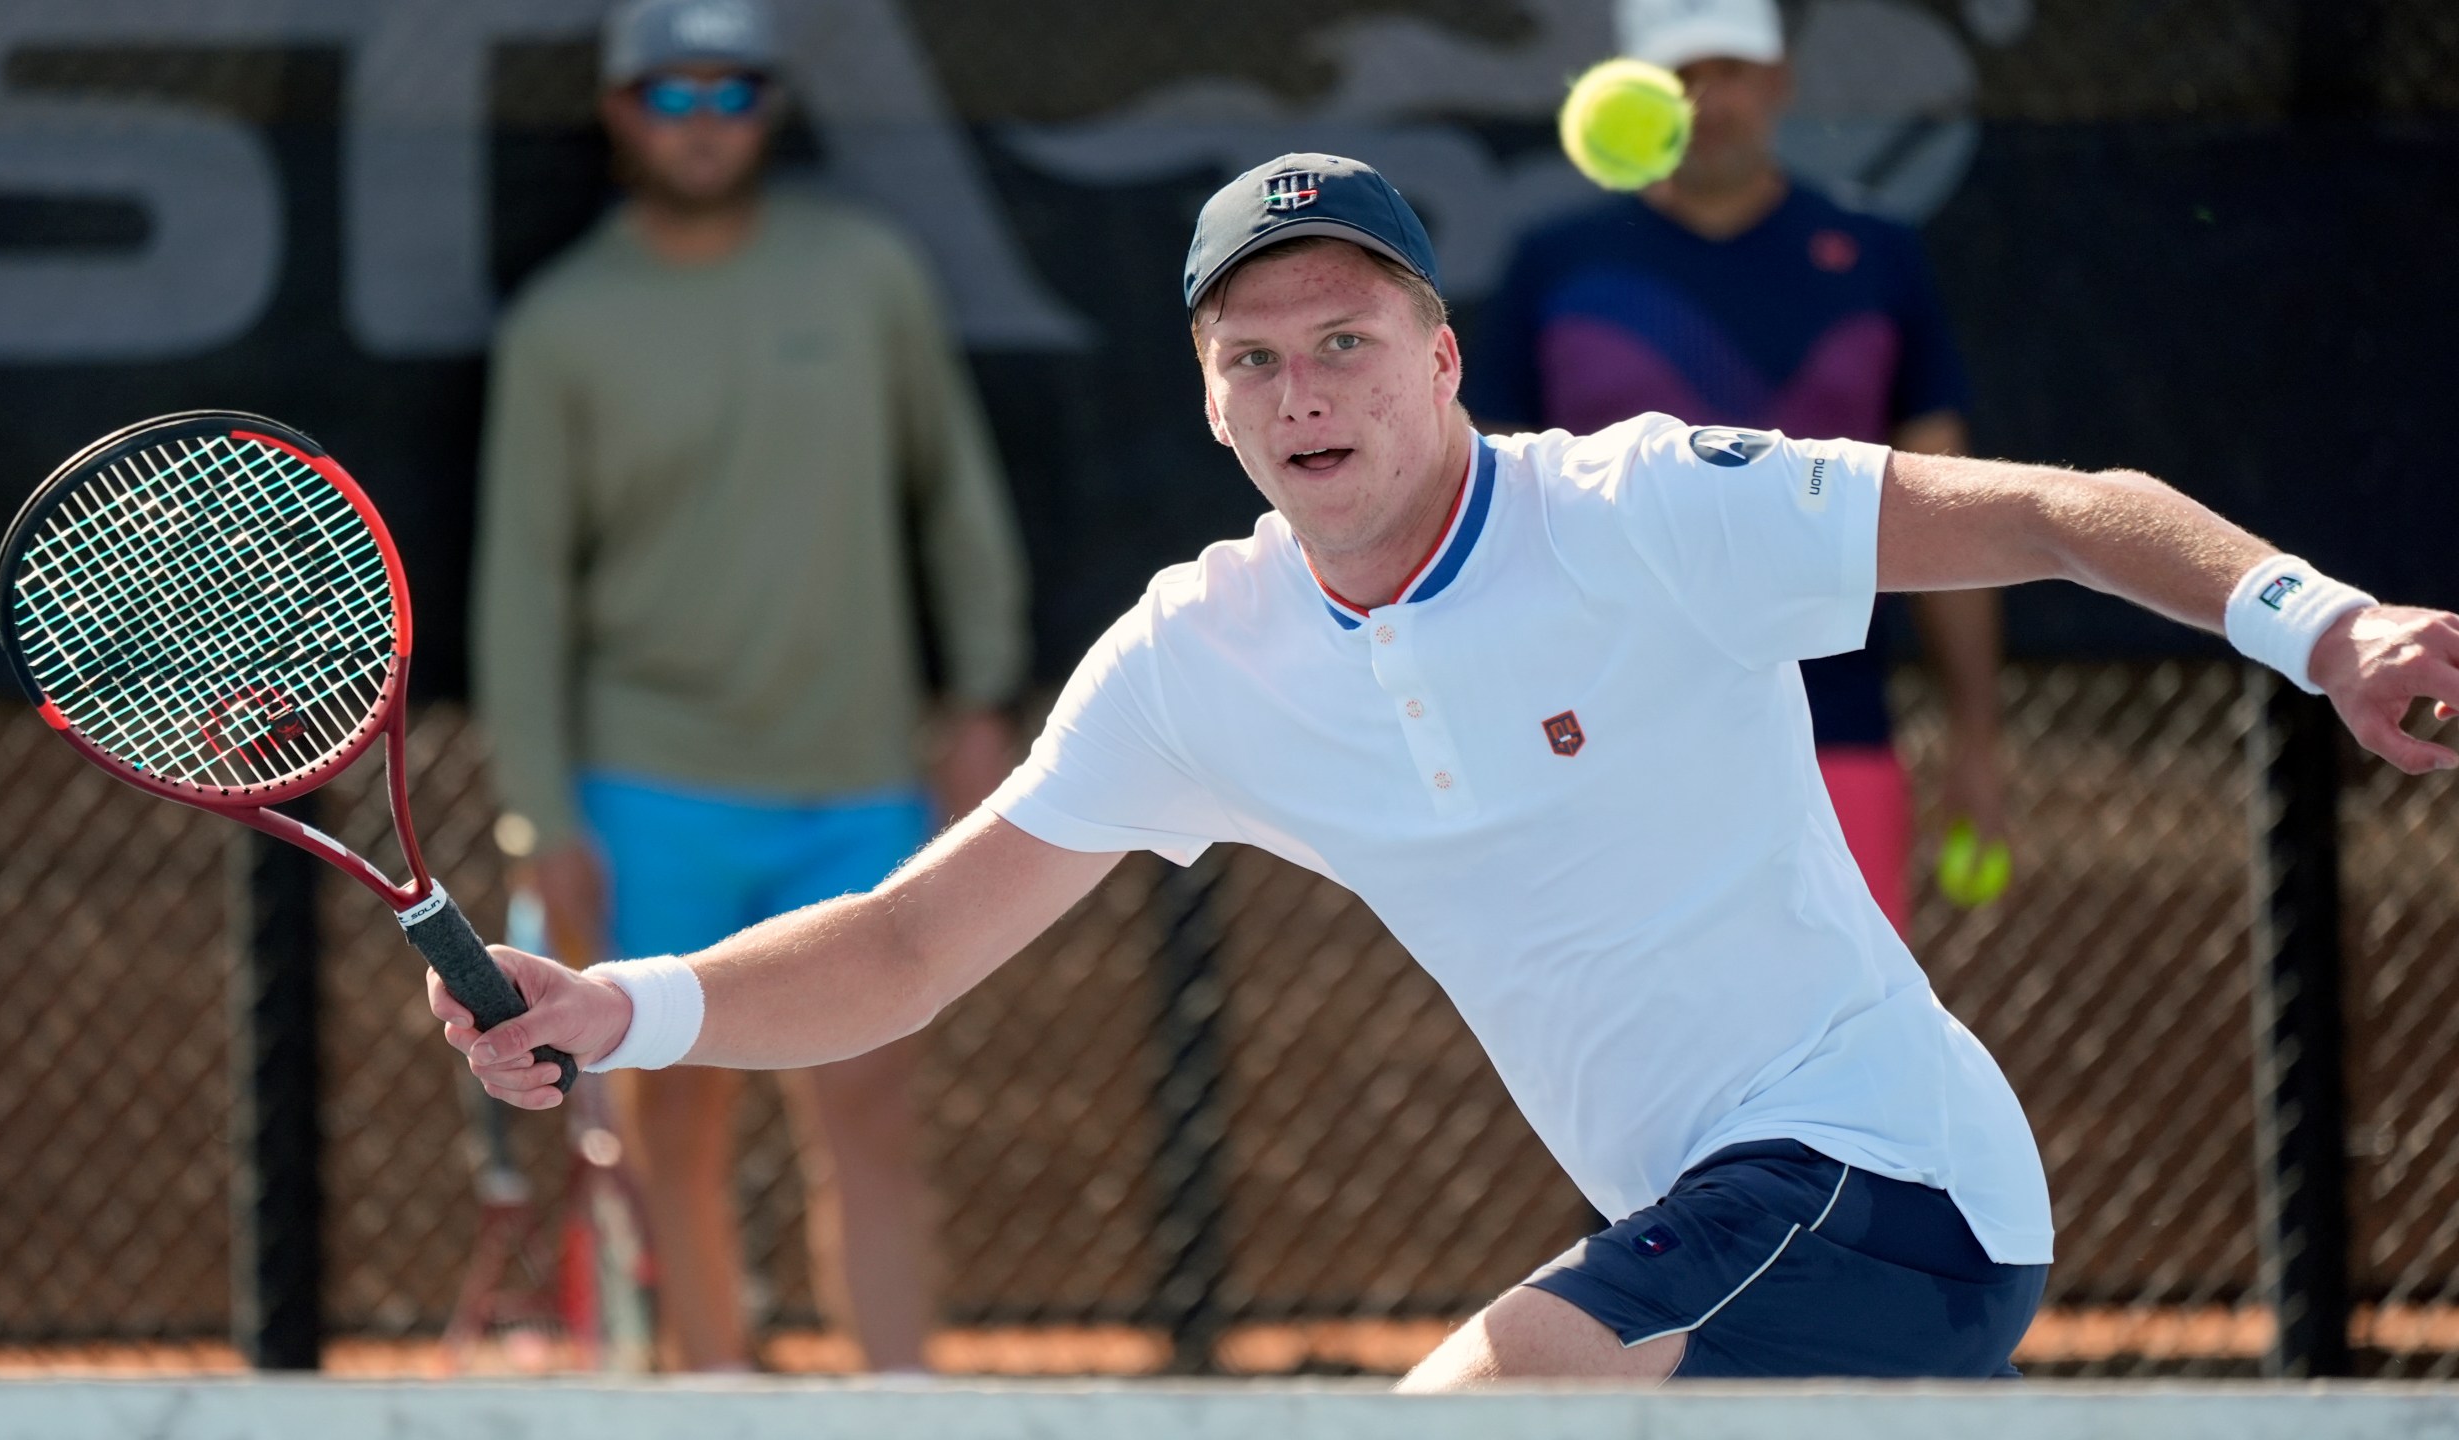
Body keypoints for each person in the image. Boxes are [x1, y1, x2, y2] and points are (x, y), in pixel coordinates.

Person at [445, 153, 2459, 1383]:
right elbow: (901, 953)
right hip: (1711, 1234)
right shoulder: (1192, 660)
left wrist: (2326, 625)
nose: (1301, 388)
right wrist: (611, 1011)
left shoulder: (1649, 510)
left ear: (1440, 360)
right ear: (1208, 401)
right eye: (1253, 357)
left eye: (1344, 338)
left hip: (1889, 1182)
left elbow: (2059, 508)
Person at [470, 0, 1031, 1373]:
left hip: (857, 783)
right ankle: (714, 1405)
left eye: (731, 93)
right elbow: (522, 590)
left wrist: (978, 701)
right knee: (671, 1127)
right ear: (620, 114)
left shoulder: (867, 273)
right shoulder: (564, 325)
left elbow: (951, 496)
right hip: (648, 787)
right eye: (674, 95)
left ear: (768, 108)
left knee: (874, 1117)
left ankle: (904, 1407)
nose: (704, 122)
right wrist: (547, 816)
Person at [1468, 0, 1998, 931]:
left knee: (1849, 1052)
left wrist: (1979, 742)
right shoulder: (1552, 265)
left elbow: (1945, 500)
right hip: (1600, 755)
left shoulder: (1878, 257)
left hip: (1837, 740)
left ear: (1779, 80)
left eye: (1732, 70)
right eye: (1680, 77)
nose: (1708, 99)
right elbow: (1485, 518)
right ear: (1632, 92)